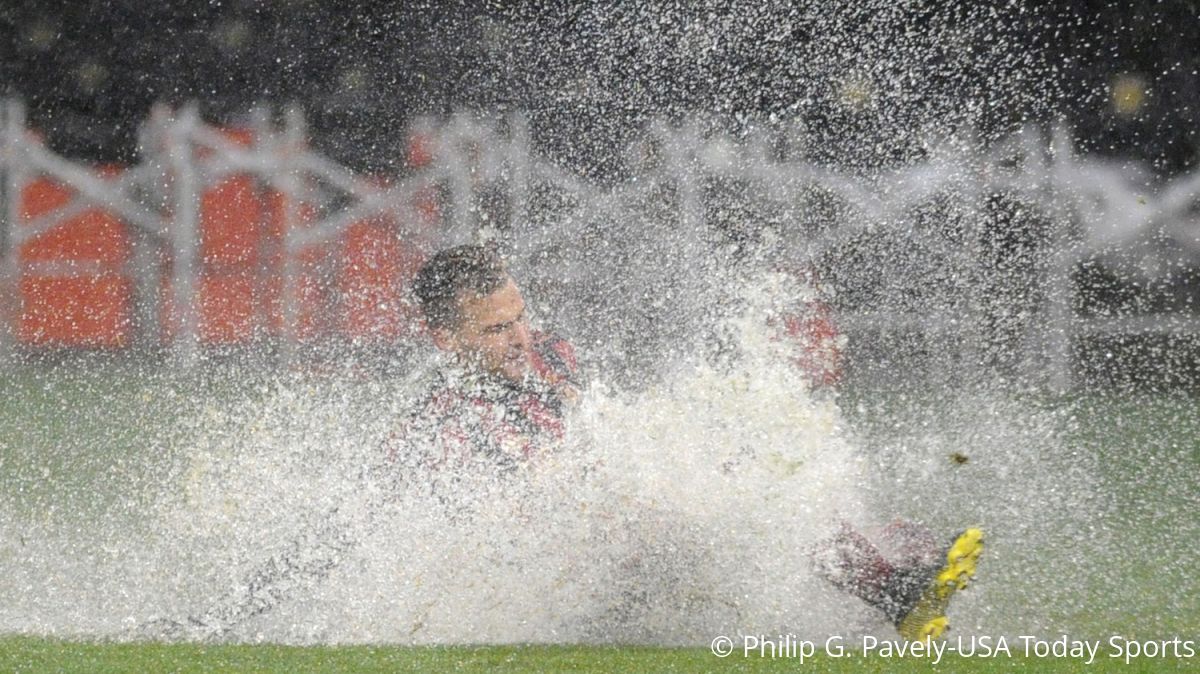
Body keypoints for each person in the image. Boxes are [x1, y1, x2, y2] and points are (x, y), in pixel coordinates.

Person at [388, 243, 983, 641]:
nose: (521, 337)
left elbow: (600, 432)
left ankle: (881, 578)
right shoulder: (445, 426)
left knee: (729, 459)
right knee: (671, 491)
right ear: (444, 339)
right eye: (497, 329)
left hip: (619, 543)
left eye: (520, 316)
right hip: (557, 587)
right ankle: (888, 583)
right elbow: (511, 529)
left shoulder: (547, 354)